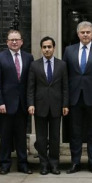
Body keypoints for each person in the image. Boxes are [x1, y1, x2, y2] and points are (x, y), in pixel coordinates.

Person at [62, 21, 92, 174]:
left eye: (88, 32)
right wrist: (65, 99)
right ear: (78, 34)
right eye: (82, 32)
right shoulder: (69, 50)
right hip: (74, 97)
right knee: (75, 132)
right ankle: (75, 163)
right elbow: (64, 76)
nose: (85, 35)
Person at [0, 29, 33, 175]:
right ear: (7, 42)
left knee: (21, 136)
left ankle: (23, 164)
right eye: (11, 40)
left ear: (21, 41)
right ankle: (4, 164)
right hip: (5, 105)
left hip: (22, 104)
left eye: (17, 39)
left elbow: (30, 83)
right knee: (6, 135)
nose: (14, 42)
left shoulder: (28, 57)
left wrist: (30, 103)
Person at [27, 36, 69, 175]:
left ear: (54, 48)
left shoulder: (62, 65)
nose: (47, 49)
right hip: (40, 106)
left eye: (49, 47)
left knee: (55, 137)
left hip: (57, 106)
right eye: (44, 47)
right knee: (41, 138)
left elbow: (65, 87)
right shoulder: (34, 65)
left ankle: (54, 164)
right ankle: (43, 165)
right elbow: (31, 87)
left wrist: (65, 104)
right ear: (41, 49)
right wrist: (31, 104)